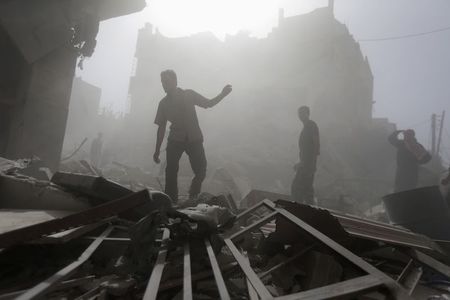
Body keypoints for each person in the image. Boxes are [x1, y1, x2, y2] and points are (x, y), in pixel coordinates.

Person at [153, 70, 232, 203]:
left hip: (194, 138)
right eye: (162, 82)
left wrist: (222, 94)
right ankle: (171, 201)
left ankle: (193, 195)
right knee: (171, 171)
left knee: (201, 170)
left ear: (175, 81)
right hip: (175, 140)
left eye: (167, 81)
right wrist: (156, 151)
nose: (164, 85)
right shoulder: (163, 103)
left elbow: (208, 103)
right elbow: (161, 128)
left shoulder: (189, 94)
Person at [291, 106, 320, 204]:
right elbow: (307, 149)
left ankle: (298, 211)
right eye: (299, 113)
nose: (300, 115)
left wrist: (306, 163)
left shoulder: (311, 125)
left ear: (308, 114)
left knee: (297, 188)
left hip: (308, 164)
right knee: (306, 189)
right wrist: (301, 162)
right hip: (306, 164)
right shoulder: (306, 127)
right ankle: (308, 210)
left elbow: (315, 145)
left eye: (303, 113)